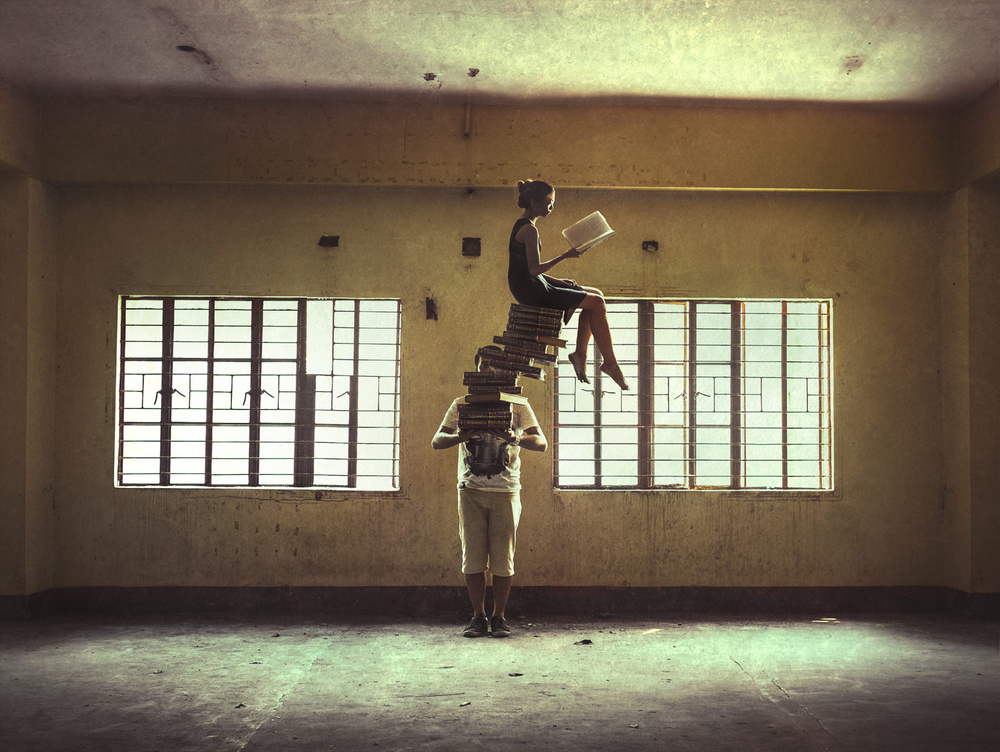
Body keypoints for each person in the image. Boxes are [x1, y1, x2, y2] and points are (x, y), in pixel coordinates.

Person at [432, 346, 548, 638]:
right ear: (476, 370)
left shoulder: (518, 404)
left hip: (505, 491)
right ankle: (477, 616)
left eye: (494, 364)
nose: (488, 369)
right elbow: (437, 440)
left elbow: (541, 443)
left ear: (503, 370)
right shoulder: (462, 403)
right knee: (472, 558)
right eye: (484, 364)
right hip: (470, 490)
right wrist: (462, 436)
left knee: (503, 560)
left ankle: (499, 617)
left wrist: (515, 437)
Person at [507, 179, 630, 391]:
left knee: (596, 295)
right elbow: (533, 270)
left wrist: (559, 282)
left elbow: (528, 270)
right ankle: (609, 363)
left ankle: (580, 354)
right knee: (597, 303)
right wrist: (566, 255)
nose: (552, 207)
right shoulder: (529, 230)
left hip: (529, 285)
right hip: (530, 291)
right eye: (549, 202)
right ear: (534, 202)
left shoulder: (525, 226)